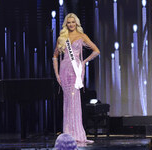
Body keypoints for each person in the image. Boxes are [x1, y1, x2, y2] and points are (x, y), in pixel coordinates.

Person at [53, 13, 100, 143]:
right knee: (67, 101)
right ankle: (68, 134)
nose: (71, 24)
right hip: (64, 70)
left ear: (77, 23)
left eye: (73, 22)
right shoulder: (62, 38)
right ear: (66, 24)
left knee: (75, 100)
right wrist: (57, 74)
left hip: (76, 70)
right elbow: (55, 56)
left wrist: (84, 62)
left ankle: (78, 134)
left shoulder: (82, 36)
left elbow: (96, 50)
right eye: (69, 22)